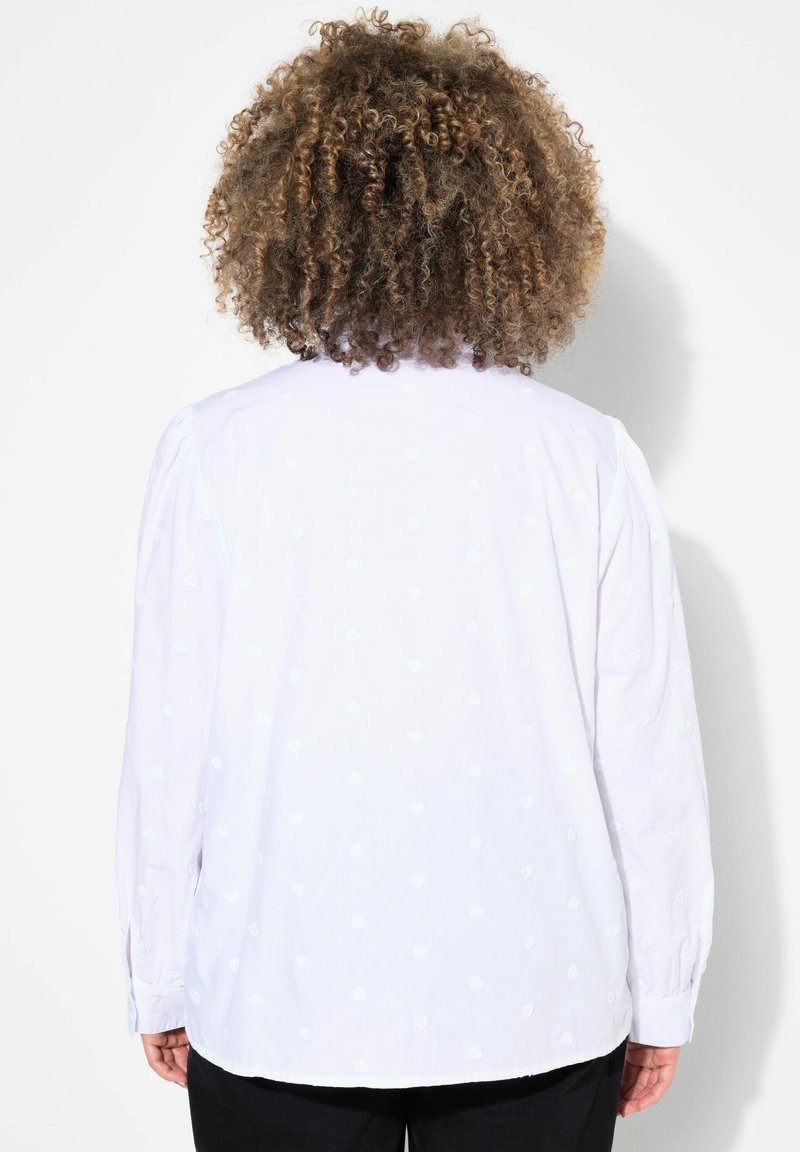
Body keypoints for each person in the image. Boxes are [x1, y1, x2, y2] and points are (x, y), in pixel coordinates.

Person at [114, 9, 714, 1151]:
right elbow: (647, 756)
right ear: (519, 221)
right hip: (539, 997)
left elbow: (167, 741)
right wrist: (663, 992)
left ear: (290, 217)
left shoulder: (215, 449)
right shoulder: (586, 456)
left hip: (278, 993)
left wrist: (160, 970)